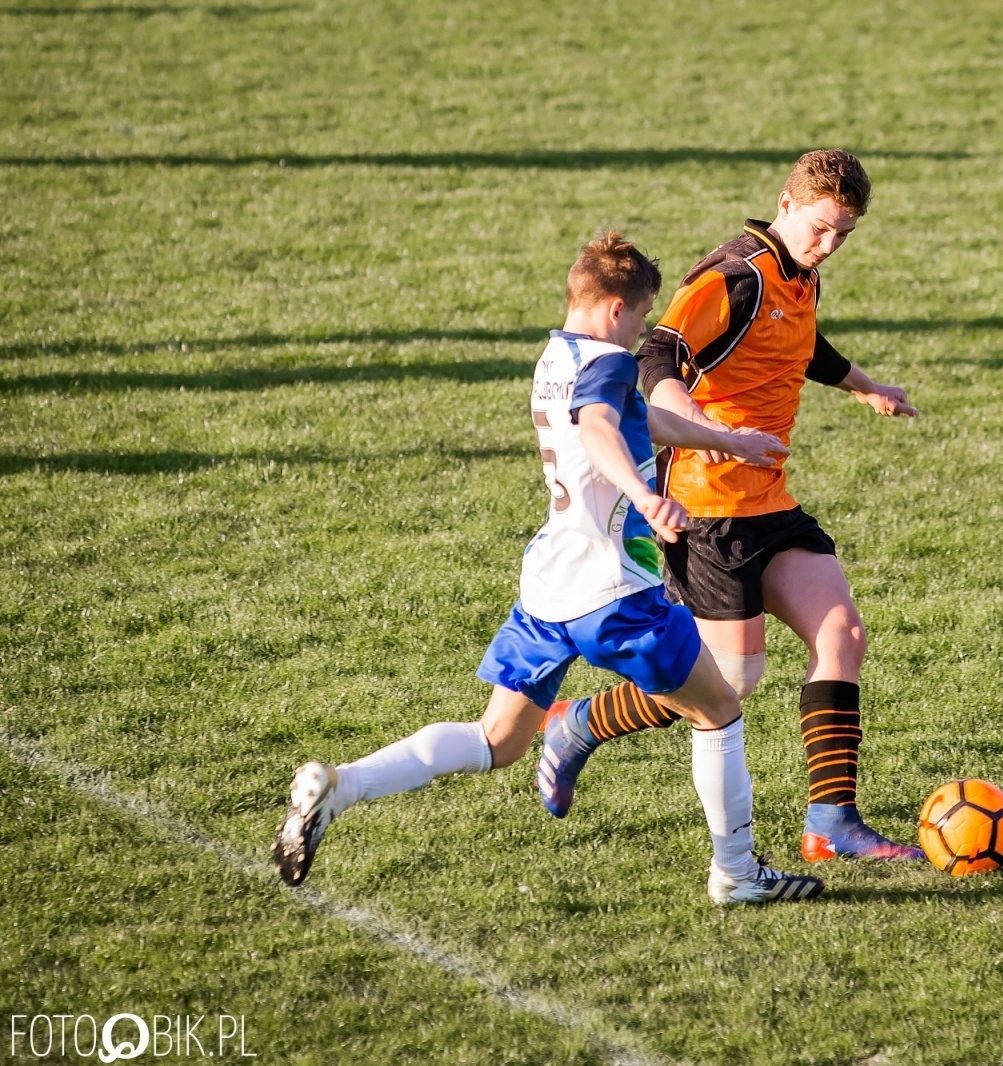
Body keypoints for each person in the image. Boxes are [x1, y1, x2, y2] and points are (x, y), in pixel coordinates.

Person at [272, 231, 824, 905]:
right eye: (643, 316)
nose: (643, 331)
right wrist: (647, 495)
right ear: (617, 308)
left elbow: (633, 421)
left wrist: (721, 438)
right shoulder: (611, 364)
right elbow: (599, 425)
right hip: (615, 592)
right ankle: (737, 873)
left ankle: (341, 786)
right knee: (719, 711)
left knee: (496, 740)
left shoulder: (555, 356)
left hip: (548, 589)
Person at [537, 151, 924, 863]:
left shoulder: (797, 273)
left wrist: (866, 385)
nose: (828, 245)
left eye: (843, 233)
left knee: (842, 634)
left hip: (770, 500)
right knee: (730, 682)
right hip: (707, 509)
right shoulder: (731, 276)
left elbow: (798, 345)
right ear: (786, 203)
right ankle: (580, 721)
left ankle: (831, 821)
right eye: (819, 228)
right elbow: (658, 355)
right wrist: (707, 432)